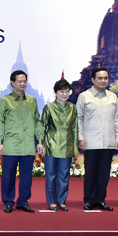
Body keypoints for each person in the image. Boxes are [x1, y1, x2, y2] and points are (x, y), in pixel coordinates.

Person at [0, 70, 44, 213]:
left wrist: (40, 141)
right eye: (19, 81)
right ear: (12, 83)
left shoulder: (32, 100)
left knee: (26, 176)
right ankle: (8, 201)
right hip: (11, 144)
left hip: (28, 145)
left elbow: (37, 121)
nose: (23, 84)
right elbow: (0, 122)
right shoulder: (4, 101)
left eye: (24, 81)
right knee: (8, 176)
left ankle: (23, 201)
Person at [77, 68, 118, 211]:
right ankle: (89, 200)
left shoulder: (113, 97)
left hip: (108, 141)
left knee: (104, 173)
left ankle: (100, 200)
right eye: (100, 78)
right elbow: (78, 119)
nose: (103, 81)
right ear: (93, 79)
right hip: (90, 142)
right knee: (90, 173)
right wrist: (80, 138)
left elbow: (117, 119)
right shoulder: (84, 96)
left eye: (105, 78)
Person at [41, 79, 78, 212]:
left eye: (67, 91)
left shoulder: (73, 108)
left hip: (67, 146)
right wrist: (41, 144)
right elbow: (42, 127)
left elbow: (75, 129)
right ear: (55, 92)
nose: (64, 94)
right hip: (51, 145)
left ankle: (61, 201)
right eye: (61, 91)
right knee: (51, 175)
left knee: (64, 176)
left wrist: (75, 148)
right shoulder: (49, 108)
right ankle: (51, 201)